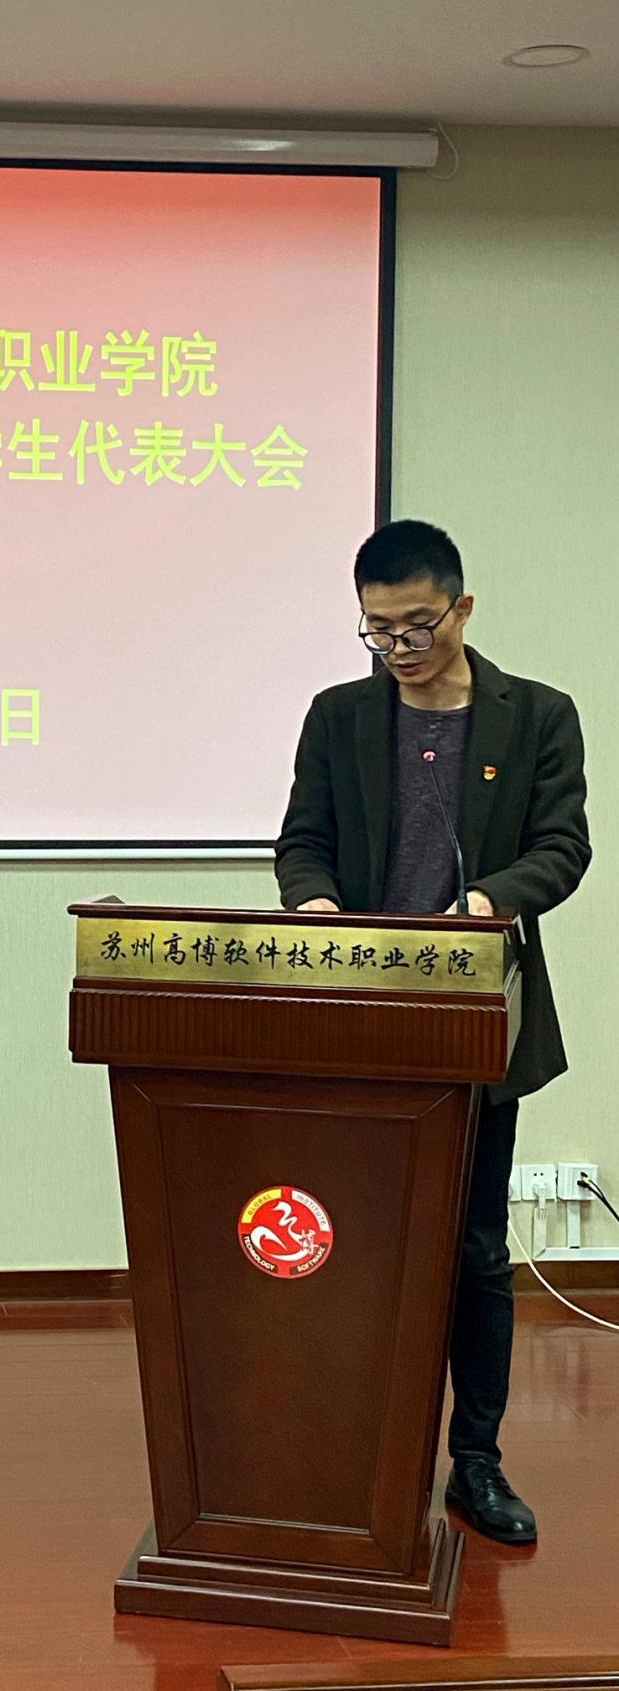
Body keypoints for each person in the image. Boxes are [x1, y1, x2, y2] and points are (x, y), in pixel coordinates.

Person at [275, 518, 591, 1546]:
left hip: (473, 1017)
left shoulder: (535, 715)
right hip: (361, 1016)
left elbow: (562, 847)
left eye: (416, 625)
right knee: (355, 1242)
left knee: (475, 1248)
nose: (398, 647)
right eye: (377, 630)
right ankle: (358, 1447)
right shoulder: (336, 716)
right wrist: (315, 905)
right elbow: (303, 842)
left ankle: (476, 1460)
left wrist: (484, 903)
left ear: (461, 606)